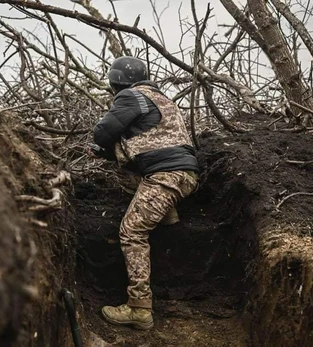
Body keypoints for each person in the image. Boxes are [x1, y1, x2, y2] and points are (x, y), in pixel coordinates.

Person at [87, 56, 200, 330]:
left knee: (132, 232)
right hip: (185, 174)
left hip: (165, 177)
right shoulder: (161, 99)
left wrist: (104, 144)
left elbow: (102, 132)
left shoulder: (130, 96)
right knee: (134, 172)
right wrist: (111, 154)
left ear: (115, 82)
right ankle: (167, 213)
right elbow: (149, 145)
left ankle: (139, 308)